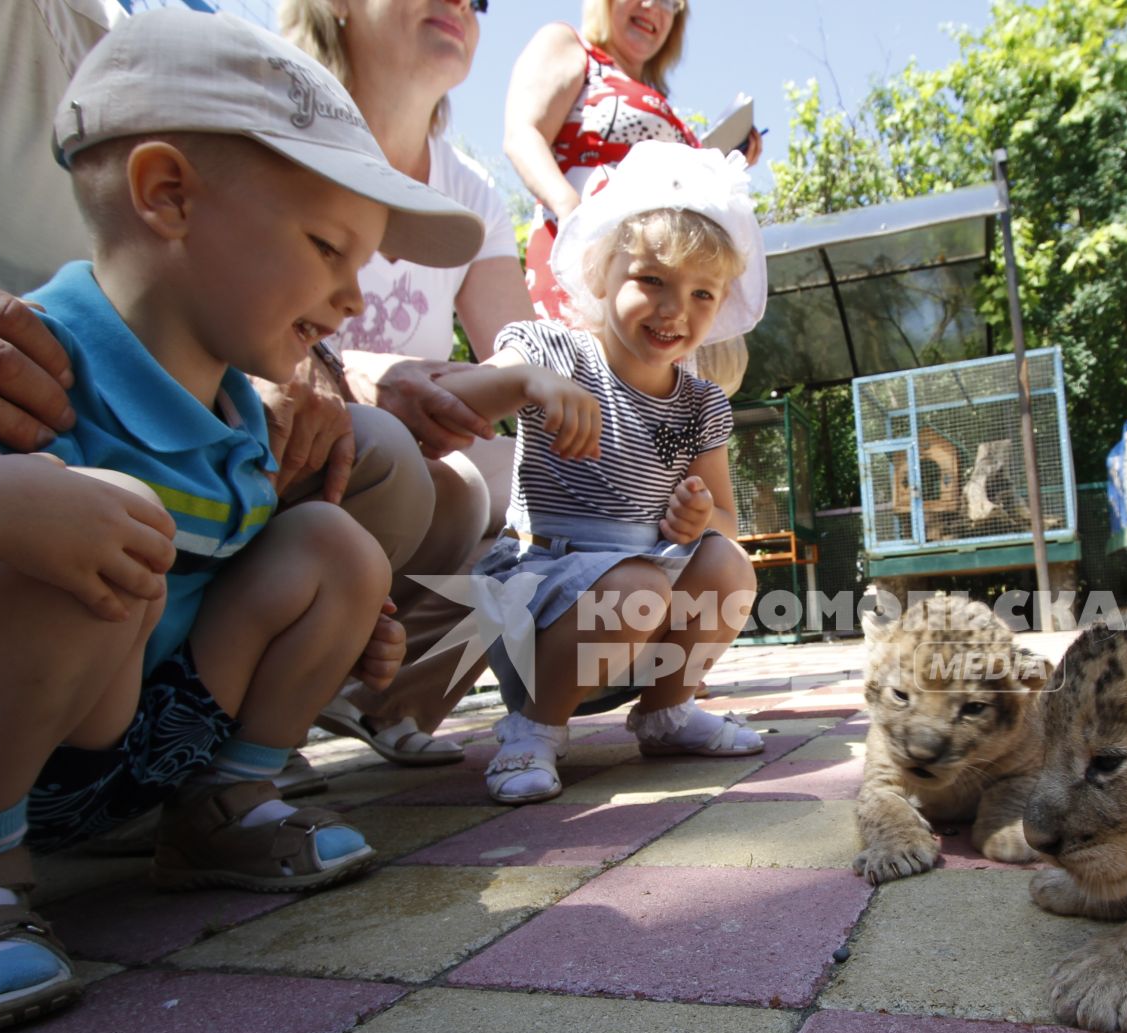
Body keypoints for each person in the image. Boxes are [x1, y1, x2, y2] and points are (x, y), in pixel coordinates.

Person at [0, 8, 486, 1033]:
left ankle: (222, 805)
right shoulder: (2, 371)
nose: (354, 297)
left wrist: (341, 631)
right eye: (327, 247)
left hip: (118, 752)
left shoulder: (234, 413)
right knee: (68, 528)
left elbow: (236, 579)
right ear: (167, 195)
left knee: (335, 550)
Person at [277, 0, 536, 770]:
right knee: (401, 458)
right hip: (286, 429)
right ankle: (251, 720)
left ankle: (389, 700)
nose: (462, 3)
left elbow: (520, 355)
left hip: (413, 465)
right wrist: (358, 379)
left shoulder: (471, 188)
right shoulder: (270, 124)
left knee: (539, 480)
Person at [467, 141, 767, 804]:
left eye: (701, 294)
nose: (674, 310)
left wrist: (697, 519)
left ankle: (665, 710)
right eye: (651, 280)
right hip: (541, 603)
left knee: (727, 564)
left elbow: (723, 520)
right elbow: (465, 394)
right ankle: (534, 729)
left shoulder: (700, 404)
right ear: (601, 273)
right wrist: (526, 383)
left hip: (640, 610)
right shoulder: (552, 352)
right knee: (636, 584)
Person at [503, 0, 762, 325]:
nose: (652, 5)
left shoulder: (662, 102)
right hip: (583, 271)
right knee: (573, 369)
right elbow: (523, 136)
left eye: (670, 2)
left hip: (667, 292)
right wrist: (575, 216)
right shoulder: (572, 46)